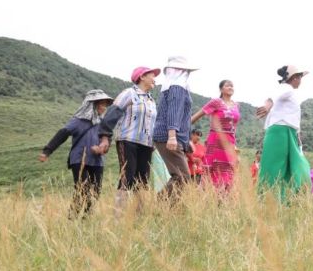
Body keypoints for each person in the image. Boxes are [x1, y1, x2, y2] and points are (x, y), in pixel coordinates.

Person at [39, 89, 114, 218]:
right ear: (92, 104)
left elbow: (107, 143)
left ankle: (85, 217)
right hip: (80, 159)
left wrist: (102, 149)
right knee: (82, 189)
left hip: (97, 162)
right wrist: (47, 151)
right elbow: (62, 134)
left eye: (105, 104)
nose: (104, 107)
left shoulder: (103, 124)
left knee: (96, 191)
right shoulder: (78, 121)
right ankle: (73, 217)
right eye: (101, 104)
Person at [98, 66, 160, 214]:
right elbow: (112, 114)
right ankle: (118, 215)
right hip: (128, 140)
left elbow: (153, 123)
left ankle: (140, 214)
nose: (155, 79)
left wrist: (154, 142)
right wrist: (105, 136)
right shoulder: (129, 94)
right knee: (128, 176)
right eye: (152, 75)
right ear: (142, 77)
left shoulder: (151, 100)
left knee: (142, 179)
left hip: (146, 143)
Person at [256, 65, 311, 199]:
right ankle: (270, 201)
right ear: (294, 77)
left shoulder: (289, 92)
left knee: (290, 167)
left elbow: (272, 99)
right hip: (281, 132)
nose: (300, 81)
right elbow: (272, 98)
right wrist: (268, 106)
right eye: (299, 78)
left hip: (288, 133)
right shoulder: (287, 88)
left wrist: (298, 137)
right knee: (276, 168)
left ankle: (284, 200)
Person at [153, 56, 198, 200]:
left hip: (172, 136)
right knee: (182, 177)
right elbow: (174, 112)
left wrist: (187, 140)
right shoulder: (177, 87)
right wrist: (172, 136)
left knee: (180, 177)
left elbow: (183, 117)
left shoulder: (171, 87)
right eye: (185, 70)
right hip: (169, 136)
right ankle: (158, 206)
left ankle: (169, 209)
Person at [191, 80, 240, 193]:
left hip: (230, 142)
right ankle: (206, 197)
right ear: (221, 89)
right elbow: (198, 115)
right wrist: (181, 128)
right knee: (212, 169)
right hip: (216, 140)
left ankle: (223, 200)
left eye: (232, 85)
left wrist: (234, 146)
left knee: (228, 170)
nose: (231, 87)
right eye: (227, 85)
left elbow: (234, 126)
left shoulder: (236, 105)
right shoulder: (216, 102)